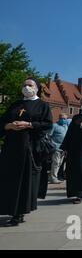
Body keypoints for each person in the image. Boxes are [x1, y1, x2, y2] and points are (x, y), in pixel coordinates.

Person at [0, 78, 53, 226]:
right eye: (24, 85)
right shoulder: (16, 104)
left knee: (24, 181)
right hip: (10, 149)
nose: (26, 87)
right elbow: (2, 122)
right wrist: (9, 126)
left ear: (36, 88)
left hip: (29, 148)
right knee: (10, 180)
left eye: (30, 85)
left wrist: (29, 124)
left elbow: (47, 125)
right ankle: (11, 209)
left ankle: (19, 213)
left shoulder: (42, 105)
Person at [49, 113, 69, 184]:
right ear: (59, 118)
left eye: (64, 119)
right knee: (56, 163)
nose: (63, 120)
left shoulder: (66, 126)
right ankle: (53, 178)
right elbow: (49, 135)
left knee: (60, 163)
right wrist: (52, 145)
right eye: (61, 118)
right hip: (56, 147)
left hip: (63, 149)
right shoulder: (55, 125)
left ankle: (55, 176)